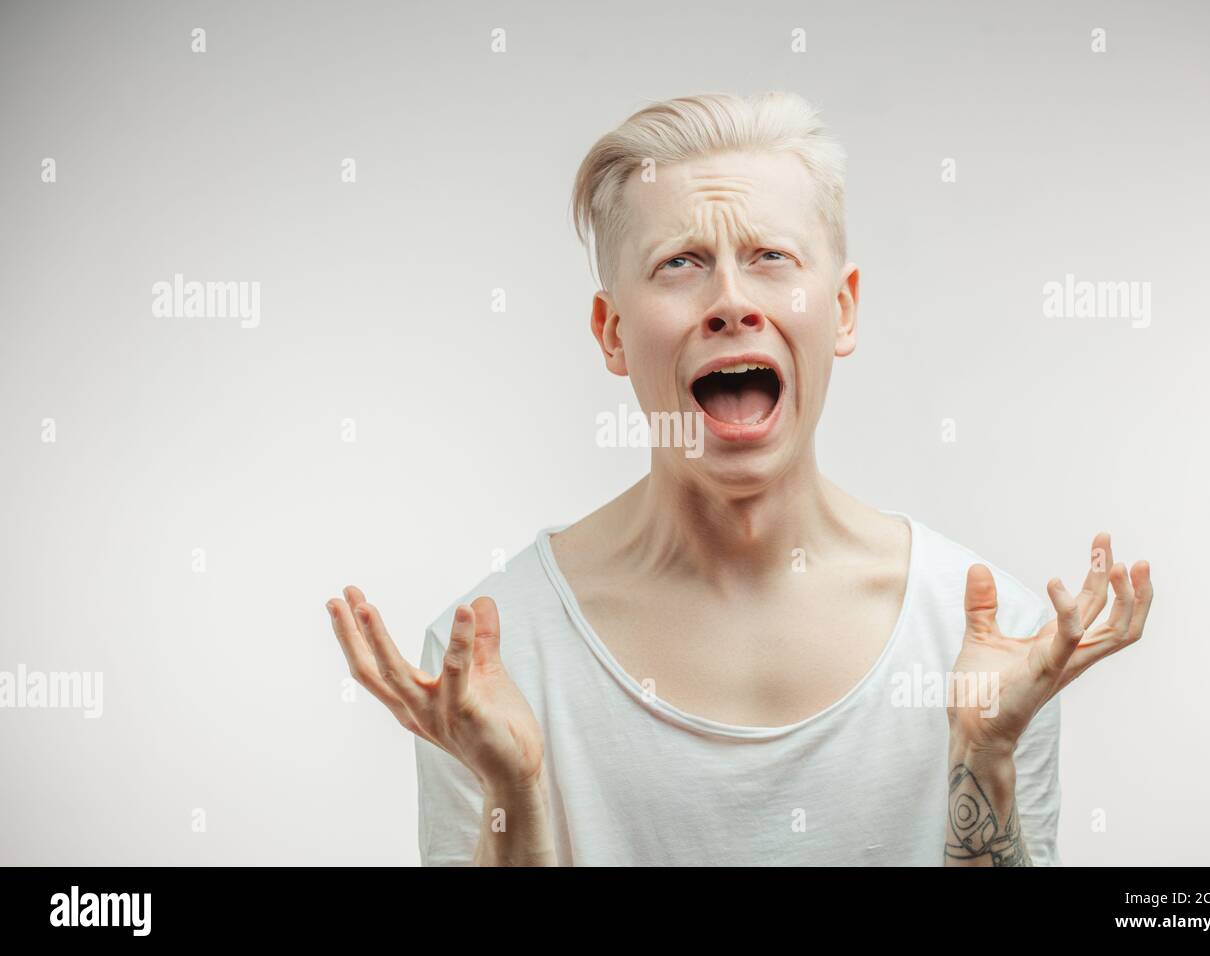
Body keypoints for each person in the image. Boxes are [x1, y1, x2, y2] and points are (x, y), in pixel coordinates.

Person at [325, 91, 1153, 866]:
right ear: (611, 333)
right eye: (681, 262)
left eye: (770, 256)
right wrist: (516, 793)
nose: (730, 301)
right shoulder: (494, 663)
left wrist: (986, 750)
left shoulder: (991, 641)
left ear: (844, 309)